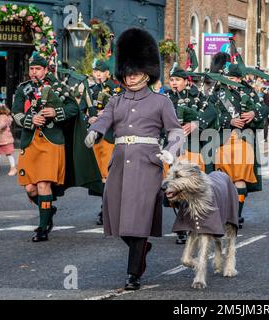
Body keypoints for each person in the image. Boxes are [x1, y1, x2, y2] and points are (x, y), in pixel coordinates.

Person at [84, 28, 184, 290]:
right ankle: (141, 248)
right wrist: (95, 131)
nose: (132, 77)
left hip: (147, 164)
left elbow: (175, 131)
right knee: (117, 218)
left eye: (137, 72)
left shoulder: (161, 102)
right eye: (128, 73)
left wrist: (170, 152)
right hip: (119, 164)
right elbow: (105, 117)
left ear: (147, 73)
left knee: (138, 219)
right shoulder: (116, 100)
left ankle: (133, 273)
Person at [12, 52, 101, 242]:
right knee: (30, 188)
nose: (34, 72)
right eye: (32, 69)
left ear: (45, 70)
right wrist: (30, 119)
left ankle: (42, 228)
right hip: (30, 141)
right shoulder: (23, 88)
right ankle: (48, 209)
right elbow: (15, 113)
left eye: (38, 69)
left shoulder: (58, 87)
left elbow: (73, 109)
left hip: (52, 141)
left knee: (43, 183)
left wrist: (55, 111)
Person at [165, 64, 218, 244]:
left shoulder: (197, 96)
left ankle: (191, 224)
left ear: (185, 81)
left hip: (194, 146)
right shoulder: (164, 98)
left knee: (190, 187)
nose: (174, 83)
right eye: (171, 80)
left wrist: (197, 123)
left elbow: (212, 112)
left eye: (177, 80)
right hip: (173, 146)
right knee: (175, 187)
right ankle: (182, 227)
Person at [214, 63, 269, 228]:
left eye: (232, 78)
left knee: (240, 177)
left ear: (239, 79)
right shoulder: (216, 94)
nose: (228, 81)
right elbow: (210, 114)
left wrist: (253, 113)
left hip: (243, 139)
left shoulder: (248, 92)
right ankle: (225, 213)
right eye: (226, 78)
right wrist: (228, 120)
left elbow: (264, 108)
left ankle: (236, 215)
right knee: (222, 179)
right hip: (221, 140)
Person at [87, 59, 122, 225]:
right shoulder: (91, 90)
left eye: (100, 71)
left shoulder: (117, 89)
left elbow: (125, 111)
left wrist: (107, 116)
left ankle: (107, 209)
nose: (98, 74)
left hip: (110, 135)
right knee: (100, 175)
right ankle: (105, 207)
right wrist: (89, 118)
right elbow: (81, 110)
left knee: (109, 175)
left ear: (108, 73)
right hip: (95, 137)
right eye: (95, 71)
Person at [0, 104, 17, 176]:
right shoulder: (0, 117)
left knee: (9, 154)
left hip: (6, 140)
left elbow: (3, 124)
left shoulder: (4, 117)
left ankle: (13, 168)